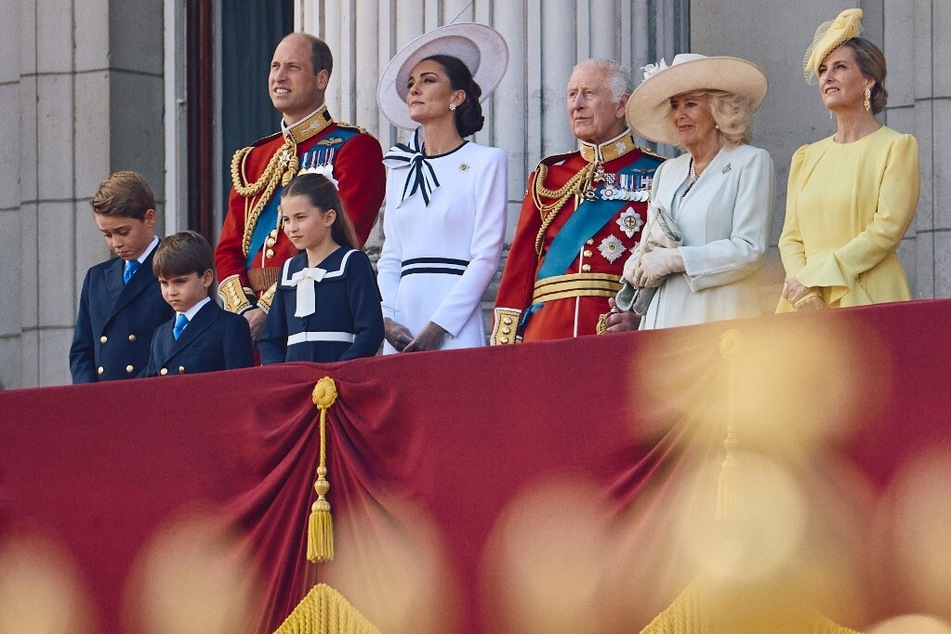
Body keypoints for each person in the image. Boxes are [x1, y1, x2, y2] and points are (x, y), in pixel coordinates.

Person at [215, 32, 386, 342]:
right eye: (274, 66)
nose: (279, 76)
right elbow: (228, 248)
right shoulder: (253, 159)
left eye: (292, 67)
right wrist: (243, 310)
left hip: (315, 314)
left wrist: (269, 309)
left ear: (321, 79)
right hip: (249, 324)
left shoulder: (354, 147)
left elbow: (344, 234)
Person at [492, 59, 662, 343]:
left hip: (614, 331)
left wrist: (646, 318)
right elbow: (519, 269)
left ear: (621, 106)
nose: (577, 104)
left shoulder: (658, 174)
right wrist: (506, 343)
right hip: (545, 333)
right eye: (572, 94)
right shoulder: (548, 176)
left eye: (589, 94)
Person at [375, 23, 509, 353]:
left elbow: (485, 258)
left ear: (456, 97)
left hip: (454, 322)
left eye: (428, 80)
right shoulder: (399, 167)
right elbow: (391, 257)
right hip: (402, 321)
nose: (414, 90)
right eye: (411, 84)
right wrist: (388, 319)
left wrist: (440, 326)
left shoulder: (486, 161)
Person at [777, 8, 919, 312]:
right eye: (823, 70)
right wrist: (803, 290)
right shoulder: (805, 157)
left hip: (869, 292)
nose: (827, 77)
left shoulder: (896, 146)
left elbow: (887, 229)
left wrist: (818, 275)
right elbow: (790, 238)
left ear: (869, 79)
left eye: (839, 67)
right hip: (804, 299)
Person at [621, 53, 774, 329]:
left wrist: (676, 259)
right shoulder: (667, 171)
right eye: (675, 105)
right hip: (662, 320)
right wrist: (637, 263)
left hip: (718, 321)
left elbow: (750, 249)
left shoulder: (749, 162)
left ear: (719, 110)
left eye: (690, 104)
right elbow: (651, 240)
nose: (679, 115)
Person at [258, 173, 383, 363]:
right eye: (286, 220)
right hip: (295, 381)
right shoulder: (289, 269)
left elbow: (371, 331)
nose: (292, 228)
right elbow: (270, 339)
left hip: (340, 378)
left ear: (328, 217)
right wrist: (281, 375)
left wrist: (337, 372)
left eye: (300, 217)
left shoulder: (352, 262)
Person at [69, 171, 175, 383]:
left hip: (150, 393)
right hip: (102, 400)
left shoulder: (175, 269)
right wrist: (89, 394)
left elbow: (176, 343)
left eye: (123, 232)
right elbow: (82, 350)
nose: (115, 243)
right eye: (107, 235)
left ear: (149, 218)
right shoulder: (96, 277)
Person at [143, 231, 254, 377]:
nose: (171, 291)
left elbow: (239, 386)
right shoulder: (161, 333)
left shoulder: (230, 326)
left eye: (180, 282)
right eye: (164, 283)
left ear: (206, 278)